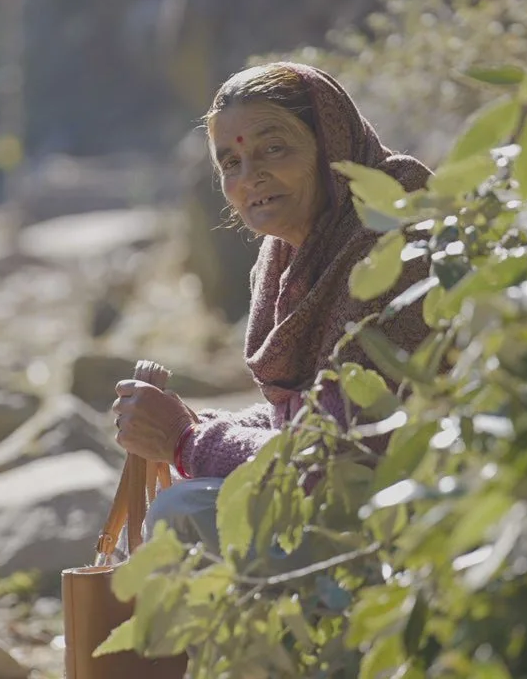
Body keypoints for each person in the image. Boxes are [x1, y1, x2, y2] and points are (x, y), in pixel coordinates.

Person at [111, 62, 432, 553]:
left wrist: (186, 441)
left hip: (418, 514)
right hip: (356, 502)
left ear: (332, 146)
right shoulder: (291, 258)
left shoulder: (393, 241)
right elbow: (304, 416)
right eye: (230, 164)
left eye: (274, 149)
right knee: (193, 493)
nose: (250, 177)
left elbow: (339, 458)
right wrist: (203, 427)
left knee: (185, 512)